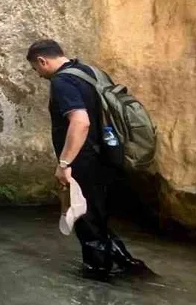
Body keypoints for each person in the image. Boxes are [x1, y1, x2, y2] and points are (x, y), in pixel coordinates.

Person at [26, 39, 148, 279]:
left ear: (42, 61)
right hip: (107, 155)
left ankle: (98, 276)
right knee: (98, 217)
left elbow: (81, 122)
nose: (38, 75)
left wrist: (64, 163)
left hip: (84, 161)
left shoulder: (62, 81)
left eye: (36, 69)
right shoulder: (90, 72)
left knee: (86, 221)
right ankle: (131, 269)